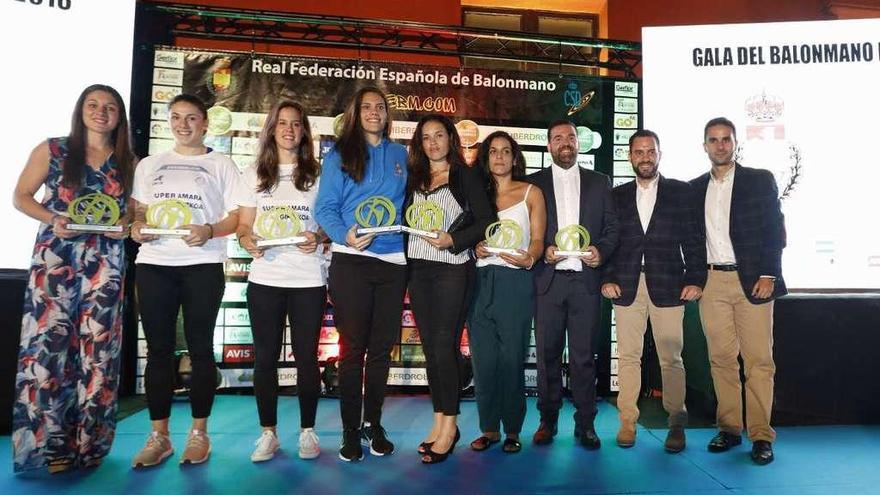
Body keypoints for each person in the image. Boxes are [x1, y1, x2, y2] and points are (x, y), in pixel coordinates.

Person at [11, 84, 135, 474]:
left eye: (110, 107)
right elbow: (21, 196)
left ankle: (90, 445)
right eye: (94, 105)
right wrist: (53, 219)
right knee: (48, 352)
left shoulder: (129, 160)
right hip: (56, 259)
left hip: (105, 264)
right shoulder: (54, 149)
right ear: (81, 110)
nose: (101, 112)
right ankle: (49, 447)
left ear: (120, 117)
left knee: (98, 354)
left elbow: (133, 213)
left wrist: (124, 225)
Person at [130, 93, 241, 468]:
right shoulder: (150, 164)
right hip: (154, 263)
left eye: (191, 118)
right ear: (169, 122)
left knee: (199, 348)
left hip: (202, 264)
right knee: (158, 351)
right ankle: (158, 436)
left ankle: (199, 433)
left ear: (205, 123)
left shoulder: (221, 163)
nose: (183, 124)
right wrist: (137, 228)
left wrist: (210, 229)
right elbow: (139, 212)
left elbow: (236, 219)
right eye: (176, 117)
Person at [314, 86, 408, 462]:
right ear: (356, 113)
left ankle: (374, 424)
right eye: (366, 107)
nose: (373, 112)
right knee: (353, 350)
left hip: (393, 262)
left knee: (382, 350)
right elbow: (325, 207)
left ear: (387, 115)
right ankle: (350, 430)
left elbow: (412, 204)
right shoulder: (340, 154)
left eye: (380, 107)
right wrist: (344, 236)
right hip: (350, 260)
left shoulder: (401, 154)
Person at [600, 129, 706, 453]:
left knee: (671, 358)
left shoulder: (680, 192)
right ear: (629, 156)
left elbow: (694, 239)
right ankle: (627, 422)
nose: (645, 157)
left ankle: (676, 421)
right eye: (639, 152)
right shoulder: (616, 196)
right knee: (628, 357)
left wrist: (696, 278)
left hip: (670, 284)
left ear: (659, 154)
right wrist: (606, 276)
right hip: (626, 286)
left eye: (650, 151)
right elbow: (608, 241)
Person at [690, 117, 786, 465]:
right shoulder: (695, 187)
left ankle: (761, 435)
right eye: (713, 140)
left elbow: (775, 230)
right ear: (704, 146)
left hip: (753, 281)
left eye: (725, 139)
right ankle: (730, 428)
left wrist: (769, 273)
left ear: (735, 143)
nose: (720, 145)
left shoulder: (759, 181)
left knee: (759, 361)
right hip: (712, 282)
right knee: (721, 360)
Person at [235, 100, 326, 462]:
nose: (289, 130)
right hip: (266, 277)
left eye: (296, 124)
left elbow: (325, 222)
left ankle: (308, 431)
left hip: (307, 278)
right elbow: (243, 225)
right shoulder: (254, 172)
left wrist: (318, 237)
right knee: (266, 359)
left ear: (304, 131)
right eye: (282, 123)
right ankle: (268, 433)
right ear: (272, 129)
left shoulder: (317, 173)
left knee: (306, 357)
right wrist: (246, 240)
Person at [404, 115, 495, 464]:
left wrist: (454, 239)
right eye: (426, 137)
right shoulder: (414, 177)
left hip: (453, 270)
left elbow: (486, 221)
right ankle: (439, 421)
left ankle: (451, 425)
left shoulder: (464, 175)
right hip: (418, 268)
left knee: (445, 346)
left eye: (439, 135)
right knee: (431, 349)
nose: (433, 143)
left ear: (450, 139)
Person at [530, 120, 619, 448]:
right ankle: (547, 420)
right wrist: (541, 251)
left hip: (585, 283)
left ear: (578, 143)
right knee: (547, 355)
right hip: (548, 282)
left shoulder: (599, 182)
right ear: (549, 145)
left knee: (584, 357)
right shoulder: (533, 184)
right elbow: (525, 230)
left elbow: (612, 228)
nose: (565, 142)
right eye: (557, 138)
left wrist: (601, 251)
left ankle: (586, 424)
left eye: (570, 137)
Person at [467, 131, 545, 455]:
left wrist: (531, 256)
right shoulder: (474, 194)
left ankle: (512, 429)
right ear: (486, 158)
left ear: (515, 157)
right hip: (479, 281)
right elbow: (466, 235)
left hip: (516, 282)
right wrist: (475, 248)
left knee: (512, 359)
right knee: (483, 361)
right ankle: (489, 429)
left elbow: (538, 239)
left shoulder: (531, 192)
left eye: (506, 151)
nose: (499, 157)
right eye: (493, 151)